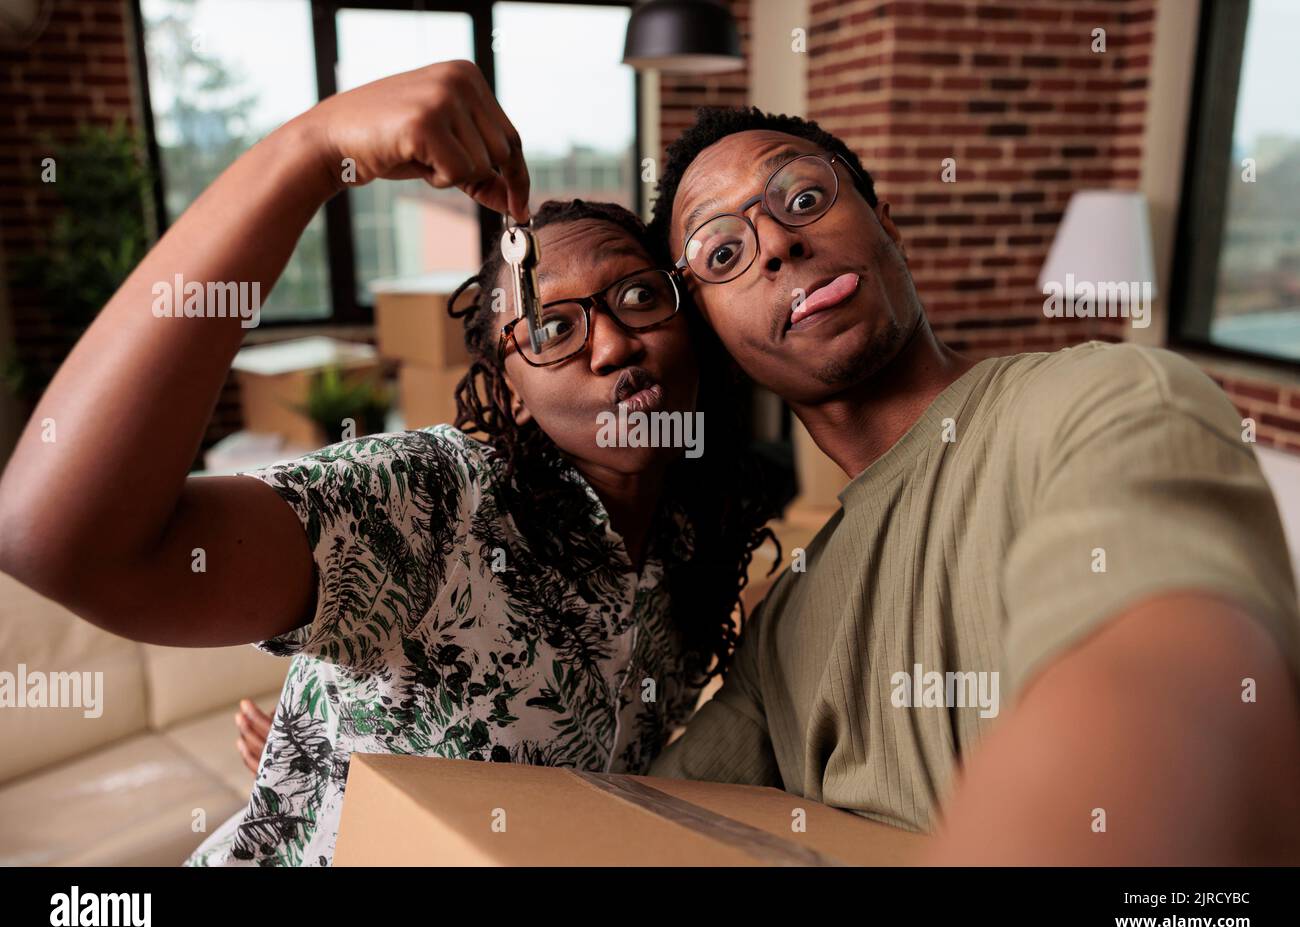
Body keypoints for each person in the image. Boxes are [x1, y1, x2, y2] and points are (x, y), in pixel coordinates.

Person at [0, 63, 776, 866]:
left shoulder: (694, 544)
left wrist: (342, 744)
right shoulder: (438, 501)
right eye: (551, 331)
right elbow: (60, 541)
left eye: (640, 299)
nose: (613, 343)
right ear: (510, 396)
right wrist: (309, 150)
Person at [641, 106, 1300, 864]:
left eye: (802, 198)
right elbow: (648, 827)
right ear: (718, 343)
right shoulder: (785, 625)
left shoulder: (1103, 400)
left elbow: (1171, 705)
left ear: (887, 224)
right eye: (722, 252)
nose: (779, 245)